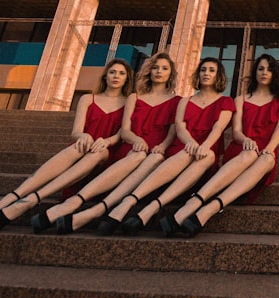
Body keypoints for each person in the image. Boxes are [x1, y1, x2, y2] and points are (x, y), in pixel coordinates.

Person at [0, 59, 132, 230]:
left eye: (121, 73)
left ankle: (32, 199)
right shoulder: (88, 98)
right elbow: (75, 131)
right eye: (112, 72)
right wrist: (84, 136)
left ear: (127, 78)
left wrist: (105, 141)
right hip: (82, 151)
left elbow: (121, 135)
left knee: (97, 152)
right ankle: (9, 200)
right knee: (76, 146)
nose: (116, 76)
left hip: (106, 156)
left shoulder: (129, 102)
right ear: (105, 76)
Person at [30, 53, 181, 234]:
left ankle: (89, 207)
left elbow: (172, 134)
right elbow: (125, 131)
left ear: (170, 74)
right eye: (156, 67)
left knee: (154, 158)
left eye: (165, 68)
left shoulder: (178, 101)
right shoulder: (135, 97)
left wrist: (162, 147)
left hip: (156, 150)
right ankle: (78, 201)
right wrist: (137, 140)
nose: (159, 71)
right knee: (138, 155)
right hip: (131, 147)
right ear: (149, 71)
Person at [160, 54, 279, 237]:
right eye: (261, 68)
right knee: (249, 154)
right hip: (240, 151)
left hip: (265, 153)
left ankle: (208, 209)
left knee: (265, 160)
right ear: (254, 72)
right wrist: (246, 140)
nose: (265, 72)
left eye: (269, 69)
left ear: (276, 73)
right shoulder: (240, 99)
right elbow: (237, 132)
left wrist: (269, 150)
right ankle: (195, 204)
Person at [96, 57, 235, 236]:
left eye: (211, 70)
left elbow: (218, 128)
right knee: (185, 153)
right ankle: (130, 203)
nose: (206, 73)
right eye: (203, 70)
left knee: (206, 155)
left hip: (204, 157)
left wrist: (204, 145)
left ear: (219, 76)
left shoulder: (226, 102)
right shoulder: (184, 101)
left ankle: (151, 207)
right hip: (179, 152)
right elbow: (180, 127)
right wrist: (191, 143)